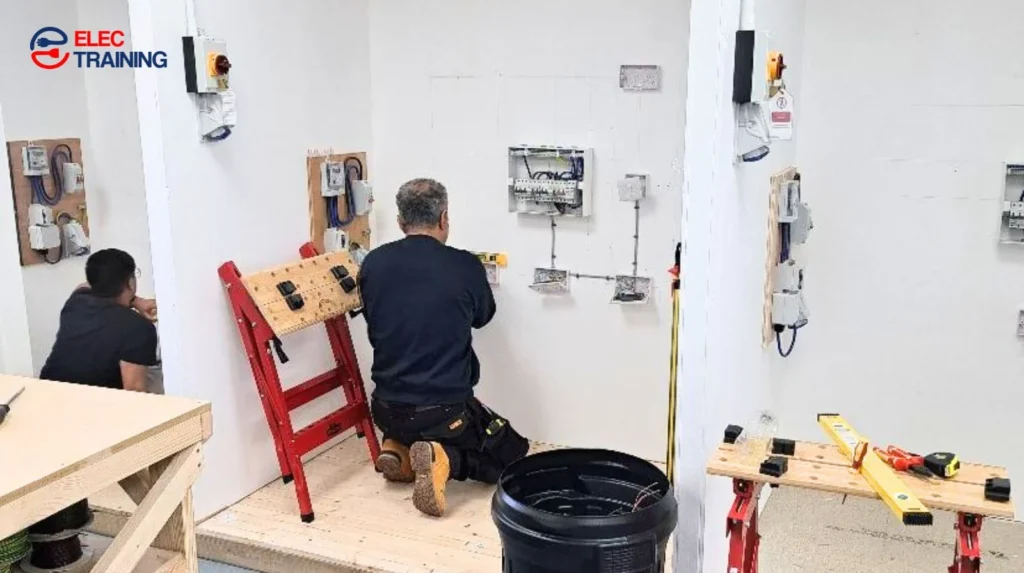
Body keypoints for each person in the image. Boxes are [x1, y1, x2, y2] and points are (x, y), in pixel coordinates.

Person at [358, 178, 529, 517]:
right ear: (444, 217)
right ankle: (444, 458)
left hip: (384, 407)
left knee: (413, 422)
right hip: (445, 414)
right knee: (510, 454)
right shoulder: (464, 265)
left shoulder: (372, 263)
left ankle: (398, 448)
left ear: (400, 221)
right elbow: (483, 317)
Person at [39, 248, 159, 392]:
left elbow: (84, 285)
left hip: (45, 393)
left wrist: (135, 301)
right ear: (130, 282)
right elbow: (134, 391)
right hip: (91, 406)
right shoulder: (139, 328)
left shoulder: (77, 301)